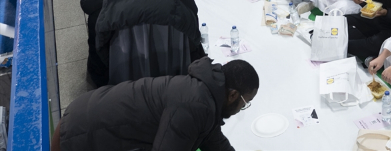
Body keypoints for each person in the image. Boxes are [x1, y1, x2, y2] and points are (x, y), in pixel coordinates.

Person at [51, 58, 258, 151]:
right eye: (244, 103)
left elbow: (213, 140)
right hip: (80, 135)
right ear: (232, 95)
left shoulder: (206, 93)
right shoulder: (194, 105)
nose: (242, 108)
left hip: (86, 112)